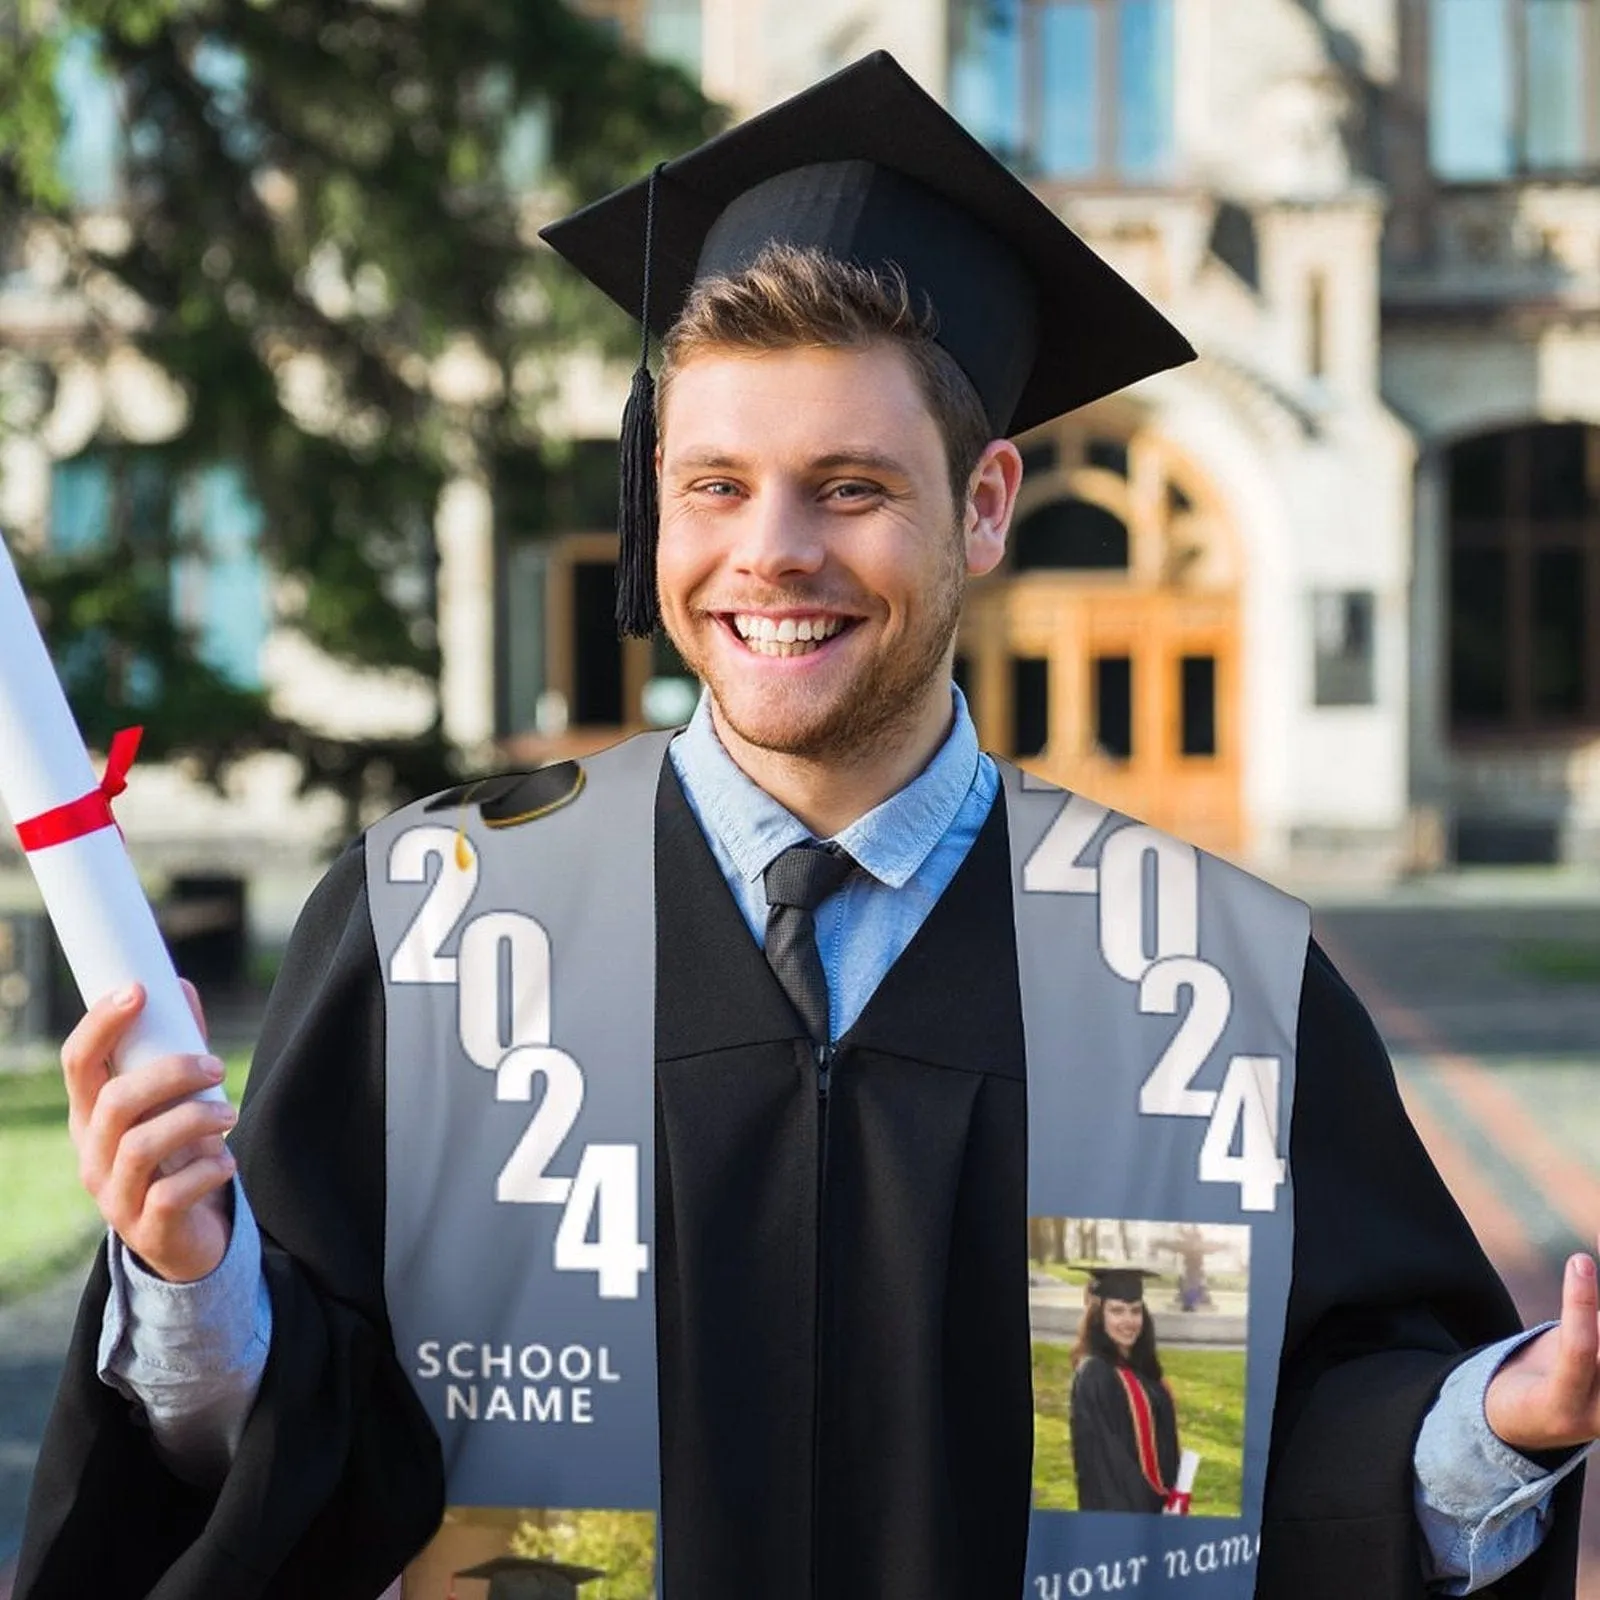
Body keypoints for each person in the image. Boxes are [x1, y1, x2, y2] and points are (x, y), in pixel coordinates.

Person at [13, 50, 1600, 1600]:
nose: (768, 554)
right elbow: (315, 1455)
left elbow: (1282, 1448)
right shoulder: (443, 925)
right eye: (713, 486)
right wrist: (187, 1283)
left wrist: (1494, 1428)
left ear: (985, 506)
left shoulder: (1200, 978)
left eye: (848, 488)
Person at [1067, 1268, 1182, 1515]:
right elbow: (1105, 1464)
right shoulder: (1095, 1373)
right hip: (1123, 1515)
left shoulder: (1145, 1373)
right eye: (1117, 1311)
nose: (1128, 1321)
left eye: (1136, 1310)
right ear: (1099, 1316)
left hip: (1158, 1512)